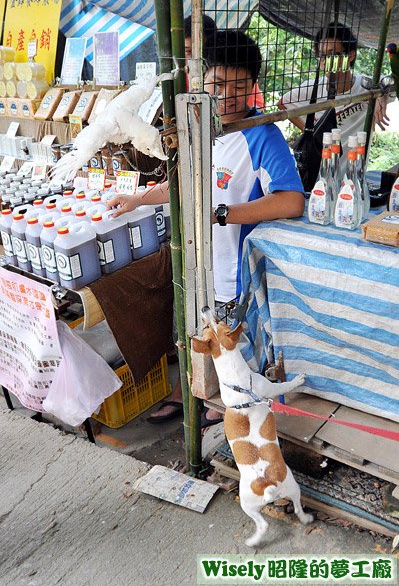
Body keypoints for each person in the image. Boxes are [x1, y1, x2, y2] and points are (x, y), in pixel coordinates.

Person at [107, 30, 305, 424]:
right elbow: (182, 183)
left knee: (231, 348)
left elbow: (290, 200)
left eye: (238, 85)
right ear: (202, 83)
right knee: (195, 336)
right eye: (218, 84)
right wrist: (138, 199)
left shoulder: (264, 136)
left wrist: (222, 214)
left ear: (253, 86)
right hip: (195, 265)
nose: (227, 94)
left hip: (234, 272)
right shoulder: (200, 128)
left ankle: (231, 413)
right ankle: (191, 398)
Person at [278, 22, 390, 170]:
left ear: (350, 55)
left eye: (332, 54)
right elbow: (282, 104)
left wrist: (380, 94)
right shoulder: (312, 88)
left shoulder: (365, 86)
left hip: (352, 174)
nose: (326, 61)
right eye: (322, 56)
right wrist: (311, 133)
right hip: (317, 176)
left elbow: (390, 82)